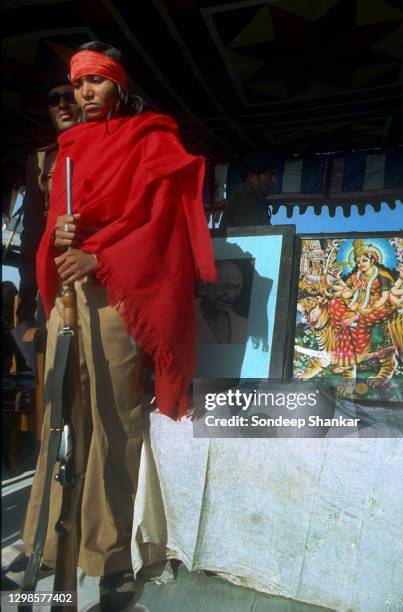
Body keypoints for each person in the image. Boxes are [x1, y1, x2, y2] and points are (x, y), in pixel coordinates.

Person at [3, 41, 216, 611]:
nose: (85, 94)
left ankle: (111, 557)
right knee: (58, 418)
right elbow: (52, 231)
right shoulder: (69, 148)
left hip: (118, 301)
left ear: (118, 84)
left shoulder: (151, 138)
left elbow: (162, 223)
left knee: (113, 425)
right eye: (78, 85)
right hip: (67, 298)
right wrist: (61, 240)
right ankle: (41, 544)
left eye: (95, 82)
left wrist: (99, 258)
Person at [16, 73, 80, 325]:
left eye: (68, 97)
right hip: (54, 280)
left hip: (101, 275)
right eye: (54, 100)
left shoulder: (113, 149)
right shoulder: (41, 161)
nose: (62, 105)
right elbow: (31, 234)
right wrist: (26, 303)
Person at [219, 152, 277, 228]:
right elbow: (255, 235)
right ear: (252, 176)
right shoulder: (245, 199)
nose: (274, 181)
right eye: (270, 175)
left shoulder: (252, 199)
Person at [196, 260, 248, 343]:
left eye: (237, 288)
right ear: (203, 287)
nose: (232, 295)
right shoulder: (183, 317)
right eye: (226, 286)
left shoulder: (244, 326)